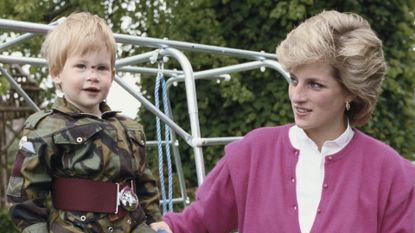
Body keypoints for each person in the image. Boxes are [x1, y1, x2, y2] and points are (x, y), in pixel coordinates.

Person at [152, 10, 415, 233]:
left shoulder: (392, 174)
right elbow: (195, 224)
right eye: (293, 79)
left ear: (350, 92)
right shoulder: (253, 152)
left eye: (315, 84)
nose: (297, 96)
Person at [6, 12, 163, 233]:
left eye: (101, 68)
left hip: (132, 225)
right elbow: (23, 196)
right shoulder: (46, 127)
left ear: (113, 74)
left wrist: (155, 219)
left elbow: (145, 182)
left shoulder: (130, 128)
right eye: (81, 66)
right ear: (57, 73)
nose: (92, 76)